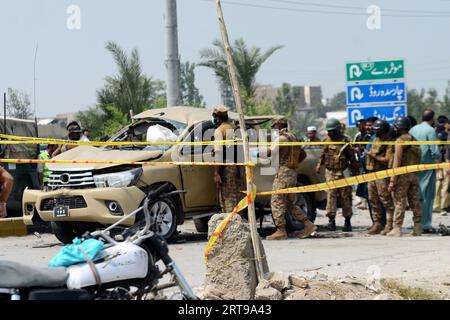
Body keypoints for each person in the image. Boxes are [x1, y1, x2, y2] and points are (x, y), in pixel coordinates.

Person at [256, 117, 316, 240]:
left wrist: (256, 153)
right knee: (288, 203)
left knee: (276, 201)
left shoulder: (281, 138)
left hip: (284, 173)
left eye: (275, 127)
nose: (275, 130)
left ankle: (281, 230)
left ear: (278, 125)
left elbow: (269, 152)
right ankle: (308, 224)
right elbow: (303, 155)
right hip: (293, 172)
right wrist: (294, 164)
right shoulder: (294, 137)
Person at [316, 118, 360, 232]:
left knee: (346, 197)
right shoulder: (326, 140)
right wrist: (319, 165)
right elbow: (323, 154)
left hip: (343, 171)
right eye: (329, 131)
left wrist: (355, 170)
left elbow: (352, 157)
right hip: (330, 172)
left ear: (337, 130)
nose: (330, 133)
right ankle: (331, 221)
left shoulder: (346, 140)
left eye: (332, 131)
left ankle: (347, 221)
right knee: (331, 197)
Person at [387, 117, 422, 237]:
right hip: (414, 174)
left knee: (399, 202)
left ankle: (397, 228)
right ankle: (417, 227)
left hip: (402, 176)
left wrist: (392, 180)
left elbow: (397, 161)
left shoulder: (400, 141)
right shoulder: (415, 140)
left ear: (399, 128)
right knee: (414, 201)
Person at [410, 109, 441, 233]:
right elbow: (434, 150)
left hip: (413, 166)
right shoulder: (431, 130)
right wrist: (438, 161)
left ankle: (417, 222)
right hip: (427, 166)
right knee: (427, 196)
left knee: (417, 194)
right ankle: (426, 225)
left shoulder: (413, 129)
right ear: (432, 119)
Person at [364, 120, 395, 235]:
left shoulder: (389, 143)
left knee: (386, 200)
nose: (376, 132)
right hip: (372, 173)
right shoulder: (375, 140)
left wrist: (372, 156)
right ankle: (377, 224)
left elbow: (387, 159)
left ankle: (389, 224)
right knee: (373, 199)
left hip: (382, 174)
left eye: (378, 130)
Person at [212, 106, 241, 213]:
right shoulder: (232, 128)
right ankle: (238, 223)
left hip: (226, 169)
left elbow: (218, 153)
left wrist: (216, 173)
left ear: (217, 118)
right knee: (236, 196)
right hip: (236, 167)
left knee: (228, 198)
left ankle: (230, 225)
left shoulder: (219, 131)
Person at [433, 116, 450, 214]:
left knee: (438, 185)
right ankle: (444, 206)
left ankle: (436, 206)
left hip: (438, 162)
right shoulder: (444, 133)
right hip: (444, 162)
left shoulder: (435, 131)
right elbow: (446, 150)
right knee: (445, 185)